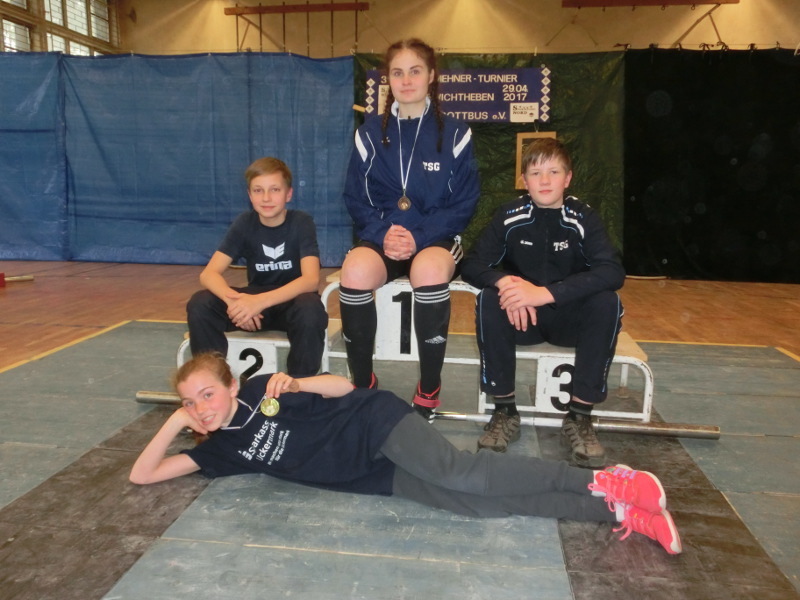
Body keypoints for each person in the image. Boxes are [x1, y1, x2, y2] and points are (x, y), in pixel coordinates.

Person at [129, 353, 681, 555]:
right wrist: (174, 420)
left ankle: (606, 480)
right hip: (371, 476)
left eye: (207, 394)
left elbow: (344, 388)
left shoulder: (262, 390)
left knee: (460, 472)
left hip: (374, 424)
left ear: (230, 385)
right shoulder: (222, 451)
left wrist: (297, 383)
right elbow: (143, 475)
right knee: (476, 504)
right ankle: (615, 509)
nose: (201, 408)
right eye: (190, 403)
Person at [338, 38, 480, 420]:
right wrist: (382, 232)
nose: (406, 80)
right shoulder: (369, 133)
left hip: (434, 238)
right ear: (388, 79)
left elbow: (464, 202)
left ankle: (429, 388)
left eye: (415, 71)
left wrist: (418, 236)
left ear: (431, 76)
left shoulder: (455, 133)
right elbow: (355, 196)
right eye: (397, 72)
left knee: (429, 270)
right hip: (383, 236)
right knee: (354, 271)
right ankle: (363, 384)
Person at [460, 138, 626, 463]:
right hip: (524, 320)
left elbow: (612, 271)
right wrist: (506, 283)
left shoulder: (583, 217)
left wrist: (546, 294)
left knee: (607, 302)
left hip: (569, 321)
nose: (545, 180)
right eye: (536, 173)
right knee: (490, 299)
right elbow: (472, 265)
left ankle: (579, 416)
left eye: (554, 172)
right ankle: (504, 410)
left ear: (568, 178)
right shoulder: (509, 215)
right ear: (524, 180)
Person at [186, 157, 328, 377]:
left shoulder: (301, 222)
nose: (266, 198)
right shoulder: (245, 223)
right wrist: (236, 304)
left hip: (291, 304)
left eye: (275, 190)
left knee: (311, 308)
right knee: (200, 303)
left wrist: (259, 302)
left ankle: (299, 385)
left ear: (289, 194)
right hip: (254, 307)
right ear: (250, 195)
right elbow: (209, 274)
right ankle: (213, 380)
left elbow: (310, 280)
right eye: (258, 190)